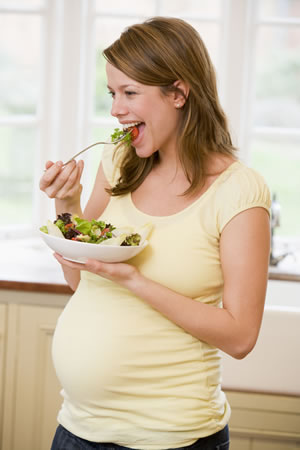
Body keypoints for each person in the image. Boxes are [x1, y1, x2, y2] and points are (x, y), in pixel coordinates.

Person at [40, 16, 271, 450]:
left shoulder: (238, 190)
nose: (115, 109)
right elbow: (80, 280)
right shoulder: (118, 159)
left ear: (179, 93)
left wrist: (136, 281)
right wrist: (65, 204)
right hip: (77, 429)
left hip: (170, 438)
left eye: (130, 93)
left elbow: (241, 337)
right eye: (112, 93)